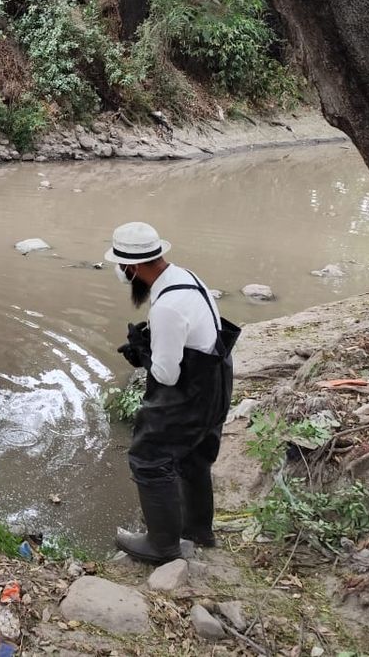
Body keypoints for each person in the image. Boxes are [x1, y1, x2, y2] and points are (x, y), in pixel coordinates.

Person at [104, 221, 240, 564]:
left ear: (132, 267)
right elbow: (193, 333)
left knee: (148, 459)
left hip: (188, 396)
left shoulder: (165, 306)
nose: (121, 274)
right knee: (194, 460)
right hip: (217, 384)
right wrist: (151, 343)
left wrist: (143, 354)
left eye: (122, 267)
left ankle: (162, 546)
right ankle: (198, 531)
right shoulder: (187, 278)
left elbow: (166, 375)